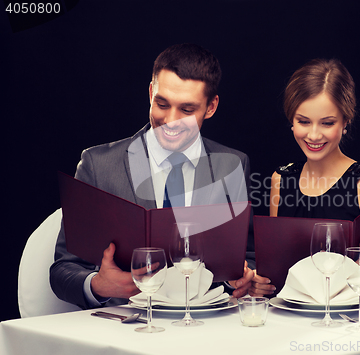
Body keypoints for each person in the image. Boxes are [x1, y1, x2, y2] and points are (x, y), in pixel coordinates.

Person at [50, 43, 254, 309]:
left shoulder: (234, 164)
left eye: (187, 110)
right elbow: (62, 270)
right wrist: (97, 285)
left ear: (211, 107)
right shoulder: (97, 165)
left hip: (205, 327)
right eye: (162, 104)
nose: (170, 120)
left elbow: (246, 256)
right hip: (126, 331)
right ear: (150, 93)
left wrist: (242, 278)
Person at [250, 58, 360, 302]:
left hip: (354, 320)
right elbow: (279, 272)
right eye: (303, 121)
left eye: (327, 123)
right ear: (291, 121)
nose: (314, 135)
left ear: (345, 122)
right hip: (294, 319)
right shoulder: (281, 179)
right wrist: (261, 283)